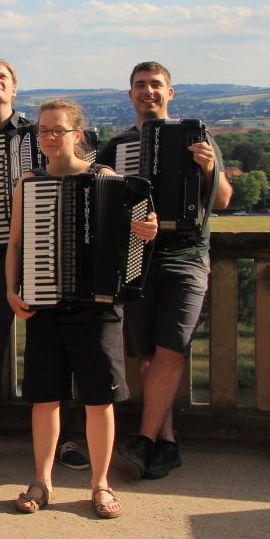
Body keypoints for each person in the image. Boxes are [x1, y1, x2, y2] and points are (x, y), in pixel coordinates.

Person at [5, 99, 158, 519]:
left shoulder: (107, 178)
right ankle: (42, 481)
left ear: (77, 134)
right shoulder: (28, 183)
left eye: (58, 129)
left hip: (99, 307)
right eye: (44, 131)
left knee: (98, 400)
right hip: (45, 304)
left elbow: (136, 236)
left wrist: (148, 229)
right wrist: (11, 289)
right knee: (45, 398)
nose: (50, 137)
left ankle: (100, 485)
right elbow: (16, 243)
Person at [0, 59, 89, 471]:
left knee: (58, 347)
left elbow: (82, 173)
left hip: (46, 251)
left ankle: (67, 439)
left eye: (2, 76)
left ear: (14, 87)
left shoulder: (41, 132)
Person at [101, 61, 232, 480]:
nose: (148, 91)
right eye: (140, 85)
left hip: (187, 256)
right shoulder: (118, 146)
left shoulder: (199, 138)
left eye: (156, 85)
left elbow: (224, 200)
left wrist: (210, 168)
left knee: (172, 348)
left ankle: (142, 439)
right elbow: (100, 198)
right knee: (147, 355)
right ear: (131, 95)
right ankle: (165, 444)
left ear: (169, 93)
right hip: (138, 258)